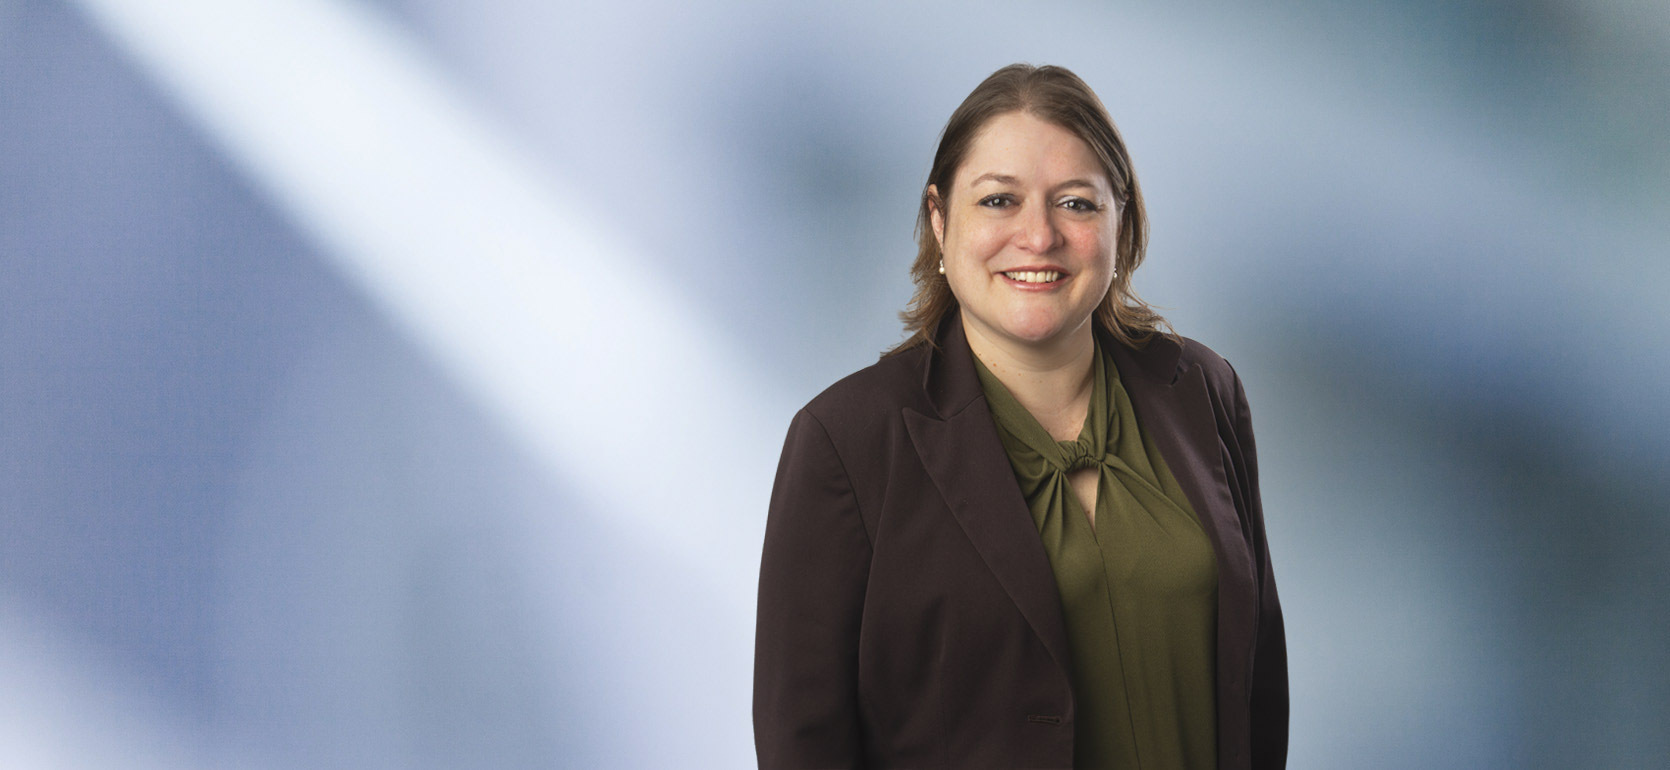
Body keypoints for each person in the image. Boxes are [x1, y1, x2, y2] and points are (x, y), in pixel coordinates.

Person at [754, 63, 1287, 770]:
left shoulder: (1203, 391)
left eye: (1076, 203)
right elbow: (803, 743)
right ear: (940, 218)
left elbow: (1259, 687)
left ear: (1121, 221)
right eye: (999, 200)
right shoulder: (844, 444)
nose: (1038, 237)